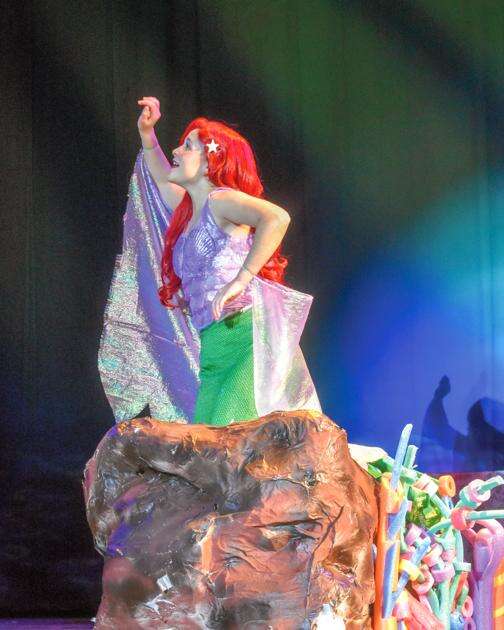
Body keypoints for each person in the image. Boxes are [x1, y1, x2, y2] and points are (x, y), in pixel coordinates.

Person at [97, 96, 321, 426]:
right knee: (206, 441)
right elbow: (161, 178)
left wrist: (241, 278)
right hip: (214, 347)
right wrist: (147, 134)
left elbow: (276, 218)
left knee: (227, 437)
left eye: (188, 146)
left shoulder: (220, 201)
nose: (177, 151)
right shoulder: (188, 212)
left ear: (209, 163)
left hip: (246, 337)